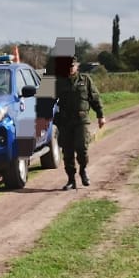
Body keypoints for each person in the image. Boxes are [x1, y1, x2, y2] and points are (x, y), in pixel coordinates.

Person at [55, 58, 105, 189]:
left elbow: (95, 98)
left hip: (81, 120)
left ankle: (83, 170)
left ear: (77, 66)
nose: (70, 68)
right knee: (67, 151)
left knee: (82, 147)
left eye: (72, 66)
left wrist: (100, 115)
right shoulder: (59, 82)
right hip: (65, 121)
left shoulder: (85, 80)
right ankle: (71, 179)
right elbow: (48, 101)